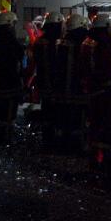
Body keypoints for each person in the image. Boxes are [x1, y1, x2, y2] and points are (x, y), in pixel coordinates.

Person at [80, 13, 111, 169]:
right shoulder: (104, 44)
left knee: (93, 123)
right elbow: (107, 68)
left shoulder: (87, 42)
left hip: (91, 89)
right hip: (104, 90)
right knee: (104, 124)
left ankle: (94, 153)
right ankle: (104, 157)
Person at [52, 14, 90, 152]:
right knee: (78, 120)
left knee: (63, 118)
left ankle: (61, 144)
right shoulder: (85, 43)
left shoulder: (61, 42)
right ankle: (76, 146)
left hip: (62, 89)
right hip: (78, 89)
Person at [32, 12, 64, 148]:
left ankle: (47, 137)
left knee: (46, 109)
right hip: (56, 83)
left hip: (43, 82)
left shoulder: (39, 41)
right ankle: (53, 138)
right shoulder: (57, 43)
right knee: (55, 111)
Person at [0, 12, 24, 146]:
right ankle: (6, 137)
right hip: (9, 83)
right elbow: (20, 55)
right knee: (9, 112)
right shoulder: (10, 41)